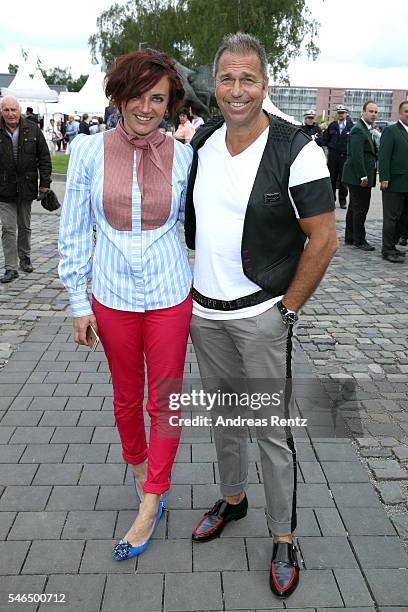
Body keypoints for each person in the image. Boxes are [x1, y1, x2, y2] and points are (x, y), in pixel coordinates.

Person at [185, 33, 337, 599]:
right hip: (205, 314)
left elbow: (324, 240)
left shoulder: (299, 150)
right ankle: (233, 499)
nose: (237, 89)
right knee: (224, 419)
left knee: (272, 431)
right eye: (227, 78)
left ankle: (284, 534)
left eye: (248, 79)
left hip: (262, 314)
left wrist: (288, 309)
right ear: (215, 85)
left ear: (265, 85)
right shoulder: (201, 142)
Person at [58, 48, 192, 561]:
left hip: (168, 293)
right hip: (110, 294)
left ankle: (152, 496)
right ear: (118, 96)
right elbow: (73, 230)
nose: (146, 106)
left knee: (166, 400)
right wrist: (77, 302)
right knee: (125, 396)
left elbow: (195, 223)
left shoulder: (185, 156)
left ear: (170, 103)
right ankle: (140, 465)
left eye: (157, 97)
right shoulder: (90, 151)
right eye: (136, 95)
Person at [0, 96, 51, 282]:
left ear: (19, 110)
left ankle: (25, 257)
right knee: (7, 228)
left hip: (26, 186)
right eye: (6, 110)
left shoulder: (33, 129)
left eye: (13, 110)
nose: (10, 114)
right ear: (1, 111)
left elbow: (44, 158)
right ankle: (10, 267)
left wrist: (45, 183)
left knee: (25, 226)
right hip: (4, 189)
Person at [342, 100, 378, 251]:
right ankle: (359, 239)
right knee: (361, 208)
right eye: (371, 111)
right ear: (363, 112)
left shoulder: (367, 128)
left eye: (376, 112)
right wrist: (363, 176)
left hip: (358, 175)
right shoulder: (358, 129)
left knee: (354, 208)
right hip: (358, 176)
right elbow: (357, 156)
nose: (373, 114)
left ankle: (350, 236)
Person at [379, 100, 408, 263]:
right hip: (394, 182)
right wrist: (384, 177)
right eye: (407, 111)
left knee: (404, 218)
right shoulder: (391, 130)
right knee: (391, 217)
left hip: (407, 184)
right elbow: (384, 155)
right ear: (400, 113)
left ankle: (393, 245)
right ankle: (387, 249)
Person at [322, 104, 354, 208]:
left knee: (343, 180)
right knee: (332, 178)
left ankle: (343, 200)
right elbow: (325, 139)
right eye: (339, 113)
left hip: (345, 156)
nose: (340, 115)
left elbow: (354, 143)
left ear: (346, 113)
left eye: (342, 113)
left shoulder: (352, 127)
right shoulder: (332, 125)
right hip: (333, 156)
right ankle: (331, 200)